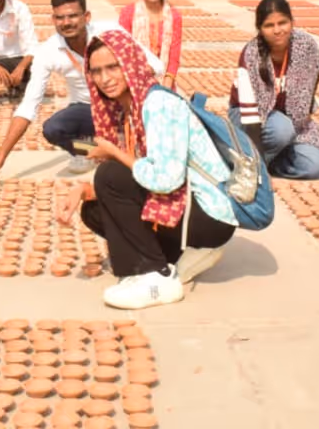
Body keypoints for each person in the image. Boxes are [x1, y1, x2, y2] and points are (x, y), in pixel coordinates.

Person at [57, 30, 238, 309]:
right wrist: (83, 189)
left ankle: (157, 277)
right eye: (96, 71)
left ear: (130, 64)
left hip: (209, 215)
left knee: (110, 175)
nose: (105, 78)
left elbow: (165, 180)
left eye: (113, 67)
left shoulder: (159, 104)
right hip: (186, 207)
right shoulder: (131, 109)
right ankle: (168, 258)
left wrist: (113, 152)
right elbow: (142, 175)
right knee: (94, 210)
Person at [0, 0, 164, 180]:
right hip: (88, 108)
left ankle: (130, 144)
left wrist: (125, 83)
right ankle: (93, 152)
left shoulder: (111, 33)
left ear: (86, 16)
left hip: (125, 103)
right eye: (60, 18)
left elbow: (155, 66)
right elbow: (28, 106)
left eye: (73, 16)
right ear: (53, 20)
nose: (66, 23)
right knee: (54, 129)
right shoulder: (48, 52)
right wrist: (0, 157)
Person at [229, 0, 319, 180]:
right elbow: (253, 114)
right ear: (260, 28)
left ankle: (268, 161)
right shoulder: (252, 54)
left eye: (282, 23)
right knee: (281, 129)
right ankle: (254, 166)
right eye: (269, 25)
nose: (277, 31)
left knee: (317, 168)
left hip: (294, 123)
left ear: (292, 22)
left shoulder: (306, 47)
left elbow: (305, 101)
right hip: (250, 118)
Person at [118, 0, 183, 90]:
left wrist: (167, 84)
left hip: (165, 82)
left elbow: (174, 55)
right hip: (134, 82)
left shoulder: (174, 16)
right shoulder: (128, 13)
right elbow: (122, 51)